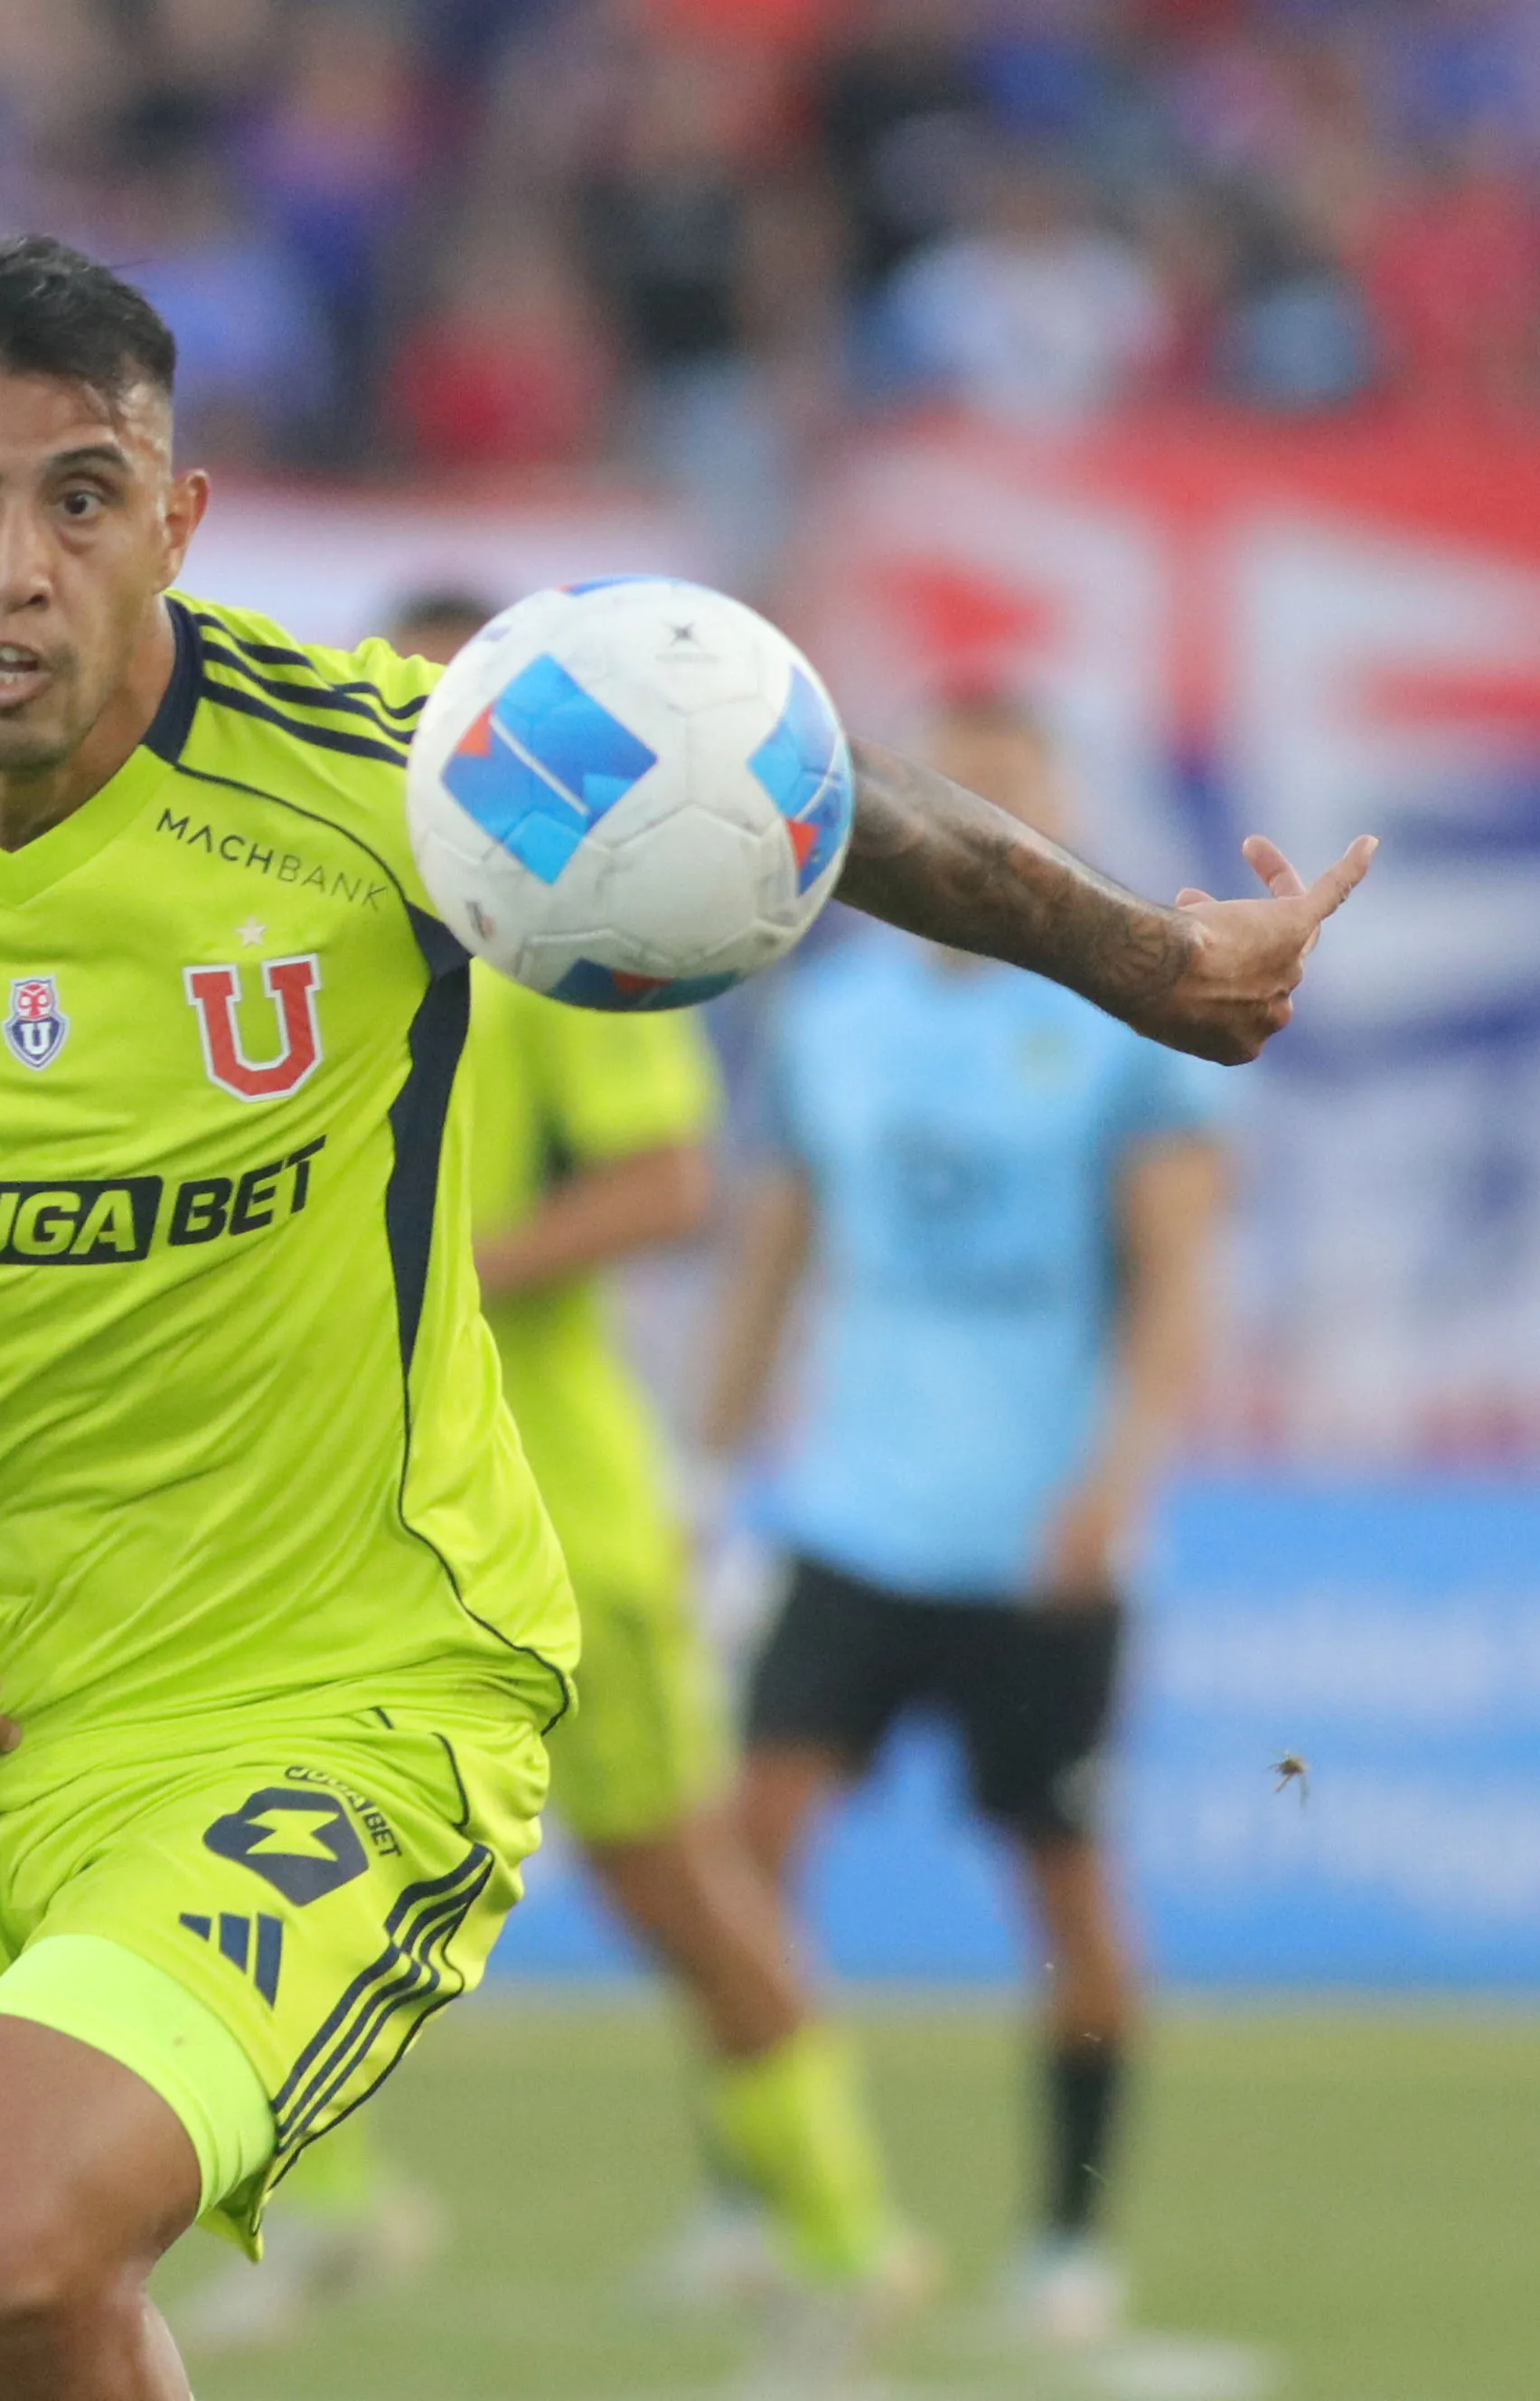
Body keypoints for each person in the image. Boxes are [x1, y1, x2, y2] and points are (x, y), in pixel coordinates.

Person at [0, 237, 1364, 2401]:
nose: (14, 565)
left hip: (335, 1696)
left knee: (2, 2236)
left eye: (83, 497)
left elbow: (781, 779)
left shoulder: (367, 771)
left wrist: (1144, 954)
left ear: (177, 523)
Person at [179, 591, 916, 2369]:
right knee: (212, 1842)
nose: (446, 733)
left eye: (477, 706)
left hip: (559, 1501)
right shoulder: (311, 907)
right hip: (343, 1492)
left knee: (672, 1881)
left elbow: (672, 1184)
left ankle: (845, 2235)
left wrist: (437, 1266)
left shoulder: (573, 915)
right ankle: (331, 2208)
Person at [707, 689, 1232, 2353]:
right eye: (968, 821)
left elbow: (1174, 1283)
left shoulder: (1116, 1032)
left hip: (1039, 1537)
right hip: (854, 1513)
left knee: (1064, 1890)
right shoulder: (836, 1019)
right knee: (747, 1857)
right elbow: (777, 1256)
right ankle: (765, 2205)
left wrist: (1117, 1484)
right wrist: (703, 1472)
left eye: (1020, 817)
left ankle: (1070, 2242)